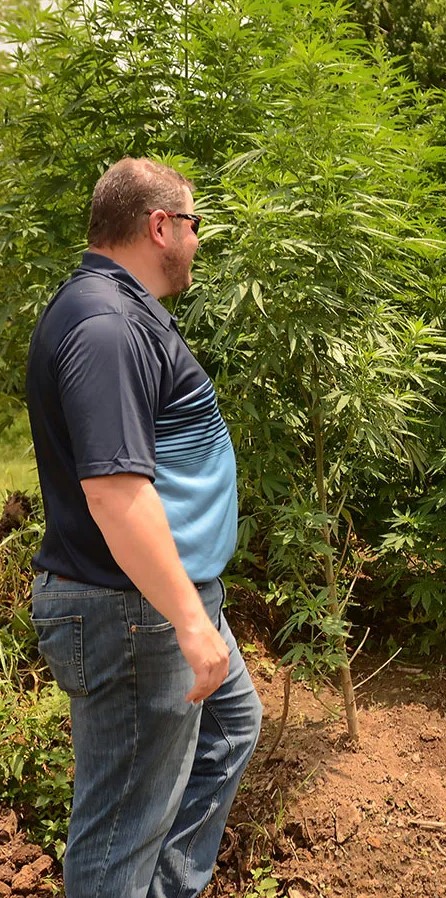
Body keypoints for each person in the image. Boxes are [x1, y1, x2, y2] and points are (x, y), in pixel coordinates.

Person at [25, 158, 262, 898]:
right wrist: (189, 622)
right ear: (160, 226)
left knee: (230, 729)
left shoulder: (115, 310)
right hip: (135, 611)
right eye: (193, 223)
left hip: (153, 602)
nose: (198, 240)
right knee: (120, 832)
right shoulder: (107, 326)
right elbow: (115, 495)